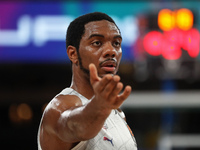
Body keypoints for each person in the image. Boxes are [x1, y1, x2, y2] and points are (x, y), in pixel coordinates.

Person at [37, 12, 137, 150]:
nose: (111, 51)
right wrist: (98, 106)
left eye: (116, 43)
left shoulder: (117, 113)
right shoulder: (59, 107)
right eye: (97, 43)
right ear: (73, 54)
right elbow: (77, 126)